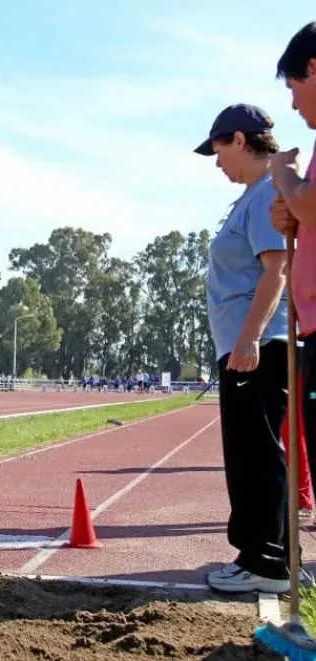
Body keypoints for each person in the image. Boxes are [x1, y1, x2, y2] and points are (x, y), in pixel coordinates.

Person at [196, 104, 291, 594]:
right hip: (243, 345)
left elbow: (275, 269)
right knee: (248, 452)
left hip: (256, 346)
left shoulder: (264, 197)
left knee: (256, 453)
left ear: (238, 139)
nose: (216, 163)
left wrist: (250, 337)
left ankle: (267, 562)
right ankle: (257, 555)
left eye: (217, 150)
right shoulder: (251, 197)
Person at [270, 21, 316, 523]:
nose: (292, 103)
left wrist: (283, 175)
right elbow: (307, 210)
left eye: (293, 87)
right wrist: (292, 211)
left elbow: (310, 203)